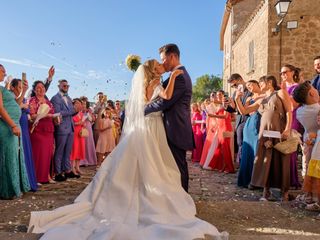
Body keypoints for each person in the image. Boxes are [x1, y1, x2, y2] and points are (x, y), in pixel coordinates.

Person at [28, 60, 228, 240]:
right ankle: (150, 194)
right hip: (152, 126)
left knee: (144, 161)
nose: (162, 67)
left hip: (145, 126)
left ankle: (141, 190)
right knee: (153, 160)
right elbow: (166, 98)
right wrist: (174, 76)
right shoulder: (156, 83)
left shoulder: (145, 85)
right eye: (158, 66)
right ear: (153, 71)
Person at [145, 44, 194, 192]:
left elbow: (165, 101)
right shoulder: (176, 75)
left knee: (178, 166)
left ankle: (183, 199)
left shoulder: (179, 77)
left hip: (176, 128)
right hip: (169, 127)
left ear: (172, 56)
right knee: (171, 166)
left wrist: (142, 110)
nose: (163, 63)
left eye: (163, 59)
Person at [0, 64, 30, 199]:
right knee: (9, 157)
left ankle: (16, 187)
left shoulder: (3, 89)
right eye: (3, 71)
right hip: (7, 126)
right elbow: (0, 109)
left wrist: (23, 91)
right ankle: (9, 190)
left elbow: (15, 104)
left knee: (16, 156)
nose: (5, 74)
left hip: (14, 125)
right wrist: (12, 125)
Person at [10, 79, 38, 190]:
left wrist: (33, 120)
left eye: (22, 88)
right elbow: (14, 107)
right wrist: (22, 106)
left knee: (26, 154)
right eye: (19, 87)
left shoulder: (24, 99)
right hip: (17, 128)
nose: (21, 90)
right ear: (12, 87)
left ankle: (28, 181)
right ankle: (20, 183)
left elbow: (28, 116)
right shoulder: (11, 98)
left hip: (25, 129)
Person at [51, 80, 78, 182]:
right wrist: (73, 110)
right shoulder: (55, 98)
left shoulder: (69, 98)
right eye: (64, 85)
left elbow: (71, 113)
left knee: (68, 151)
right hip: (61, 128)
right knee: (59, 151)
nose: (66, 86)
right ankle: (58, 172)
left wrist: (77, 111)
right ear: (59, 86)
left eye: (67, 85)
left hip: (70, 128)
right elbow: (58, 112)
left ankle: (66, 170)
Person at [29, 81, 56, 184]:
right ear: (35, 90)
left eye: (42, 87)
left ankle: (47, 176)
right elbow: (32, 115)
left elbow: (53, 113)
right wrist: (45, 115)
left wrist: (56, 118)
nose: (41, 89)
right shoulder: (32, 100)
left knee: (48, 153)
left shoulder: (48, 101)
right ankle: (36, 177)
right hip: (38, 129)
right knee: (38, 153)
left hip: (48, 129)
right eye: (38, 88)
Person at [70, 98, 85, 176]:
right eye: (77, 103)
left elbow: (83, 122)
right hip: (74, 133)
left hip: (80, 134)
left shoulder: (81, 113)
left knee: (80, 150)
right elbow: (71, 123)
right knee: (74, 150)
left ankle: (77, 167)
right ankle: (72, 168)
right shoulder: (72, 113)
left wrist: (83, 124)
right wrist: (79, 122)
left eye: (80, 103)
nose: (79, 105)